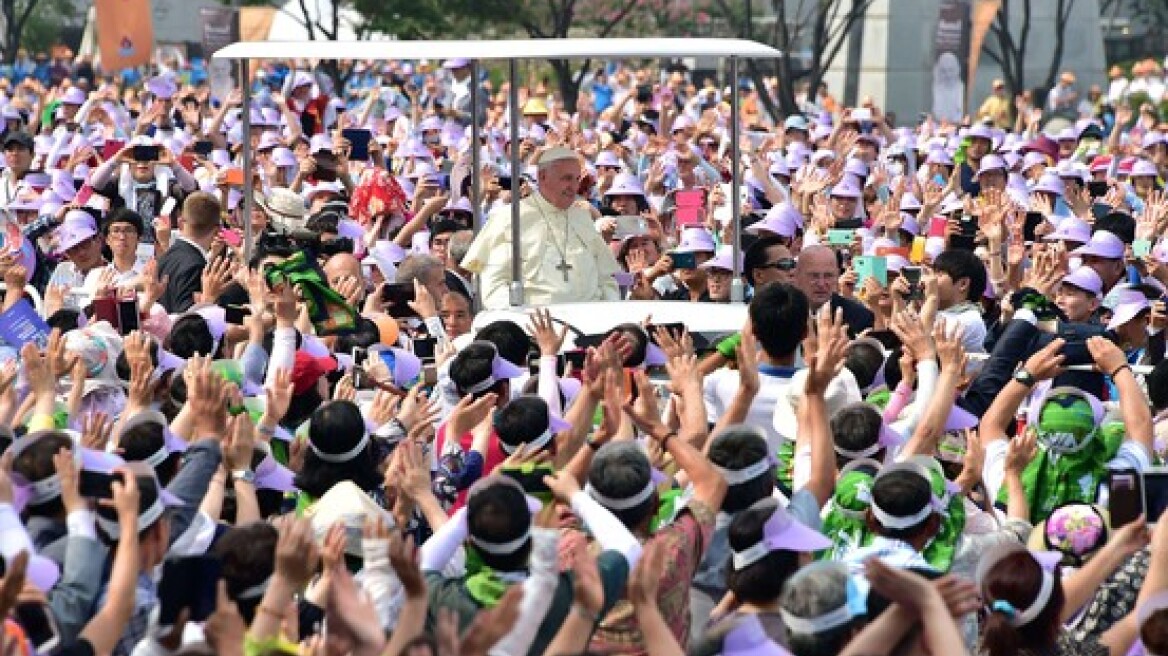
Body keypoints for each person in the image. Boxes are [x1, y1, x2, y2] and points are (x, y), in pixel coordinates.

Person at [461, 147, 621, 309]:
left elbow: (606, 279)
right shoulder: (511, 218)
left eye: (576, 179)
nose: (573, 186)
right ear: (542, 177)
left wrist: (608, 313)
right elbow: (494, 286)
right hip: (535, 323)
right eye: (566, 178)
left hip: (591, 322)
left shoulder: (582, 217)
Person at [156, 191, 220, 312]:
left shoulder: (166, 257)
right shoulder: (196, 266)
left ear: (180, 223)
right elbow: (187, 317)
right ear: (216, 230)